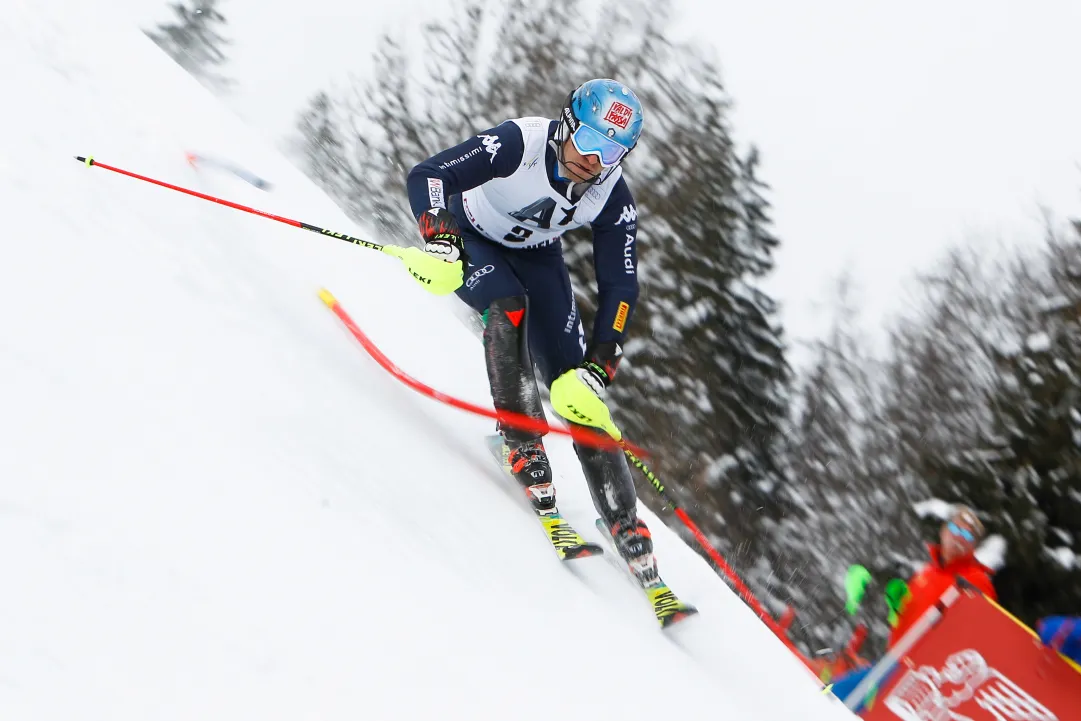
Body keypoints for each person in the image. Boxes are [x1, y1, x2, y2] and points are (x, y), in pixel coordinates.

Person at [392, 79, 657, 585]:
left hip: (538, 256)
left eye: (613, 151)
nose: (594, 160)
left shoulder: (610, 196)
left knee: (575, 386)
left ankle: (623, 517)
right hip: (472, 237)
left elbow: (621, 284)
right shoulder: (523, 143)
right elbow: (428, 175)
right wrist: (440, 237)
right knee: (507, 306)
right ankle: (522, 442)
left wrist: (601, 367)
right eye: (590, 141)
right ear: (569, 124)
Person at [832, 504, 997, 712]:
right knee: (834, 696)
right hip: (894, 659)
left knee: (837, 699)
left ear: (974, 546)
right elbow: (912, 617)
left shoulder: (977, 580)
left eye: (967, 534)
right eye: (955, 529)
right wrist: (898, 608)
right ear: (944, 531)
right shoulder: (929, 572)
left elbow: (978, 633)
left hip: (919, 674)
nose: (958, 537)